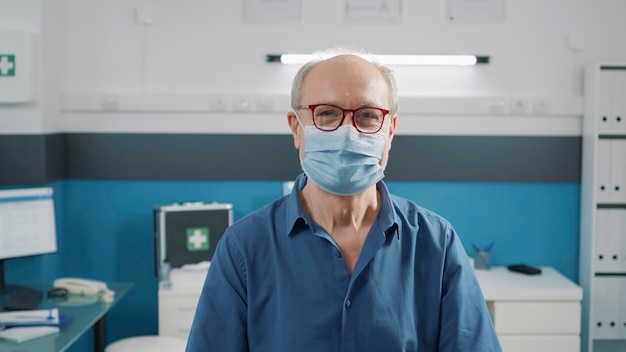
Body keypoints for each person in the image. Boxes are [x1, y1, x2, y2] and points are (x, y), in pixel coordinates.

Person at [186, 48, 502, 352]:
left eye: (366, 115)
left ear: (390, 130)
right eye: (326, 114)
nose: (349, 132)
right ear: (296, 128)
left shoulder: (437, 245)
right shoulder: (245, 248)